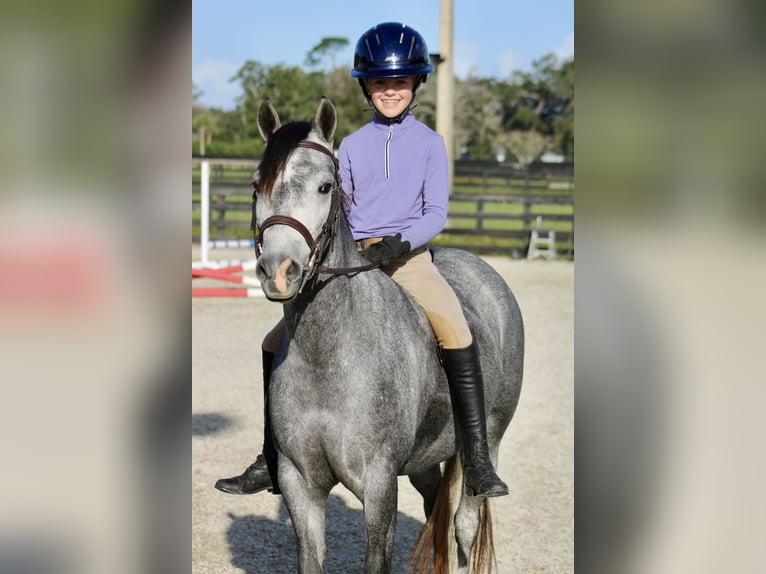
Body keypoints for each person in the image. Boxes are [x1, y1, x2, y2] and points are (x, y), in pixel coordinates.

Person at [215, 22, 508, 498]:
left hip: (410, 261)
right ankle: (270, 457)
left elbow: (436, 212)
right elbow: (337, 206)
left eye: (399, 82)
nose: (389, 91)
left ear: (416, 85)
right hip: (355, 260)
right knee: (274, 343)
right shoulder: (348, 145)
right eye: (378, 83)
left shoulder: (430, 144)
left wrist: (399, 242)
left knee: (455, 326)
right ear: (365, 87)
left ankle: (475, 456)